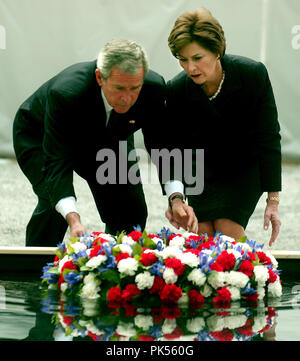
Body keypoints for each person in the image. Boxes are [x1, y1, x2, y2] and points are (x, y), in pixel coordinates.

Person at [13, 39, 168, 246]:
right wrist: (73, 218)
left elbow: (162, 144)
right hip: (39, 135)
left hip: (104, 138)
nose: (127, 98)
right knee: (54, 204)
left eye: (134, 88)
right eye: (119, 88)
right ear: (99, 78)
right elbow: (57, 161)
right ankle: (34, 270)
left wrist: (175, 195)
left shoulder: (154, 88)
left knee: (129, 205)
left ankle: (119, 263)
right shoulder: (65, 93)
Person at [164, 7, 281, 246]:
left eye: (197, 58)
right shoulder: (176, 89)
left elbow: (268, 136)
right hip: (202, 171)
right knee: (203, 235)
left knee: (227, 231)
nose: (190, 68)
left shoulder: (252, 74)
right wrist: (176, 199)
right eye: (183, 59)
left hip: (244, 168)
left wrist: (273, 200)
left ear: (217, 50)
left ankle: (250, 277)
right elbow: (173, 148)